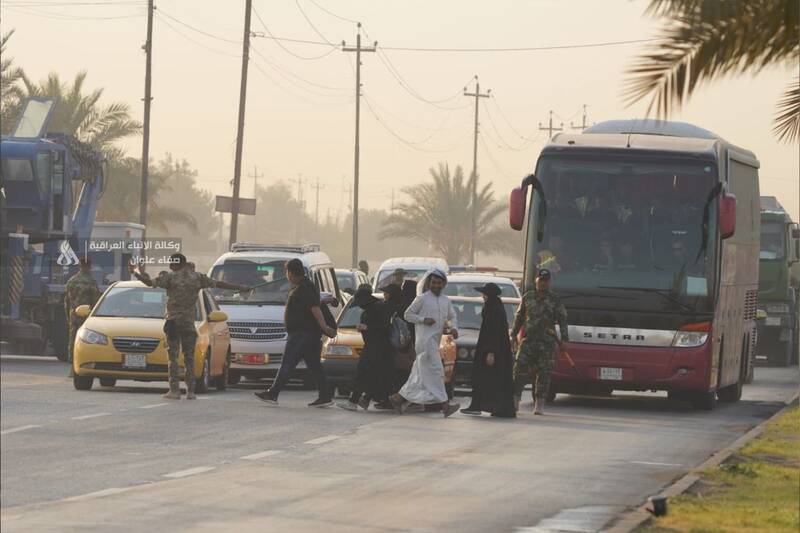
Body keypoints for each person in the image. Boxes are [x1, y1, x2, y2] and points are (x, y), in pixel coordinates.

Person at [130, 253, 249, 399]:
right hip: (189, 324)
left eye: (171, 263)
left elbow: (149, 283)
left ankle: (174, 390)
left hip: (173, 322)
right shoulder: (197, 278)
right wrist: (241, 287)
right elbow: (218, 284)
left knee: (173, 358)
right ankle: (190, 391)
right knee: (189, 358)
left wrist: (135, 272)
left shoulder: (170, 277)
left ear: (175, 264)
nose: (170, 266)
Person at [255, 258, 337, 407]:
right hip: (306, 334)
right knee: (314, 365)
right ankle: (325, 396)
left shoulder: (304, 287)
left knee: (287, 363)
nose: (286, 275)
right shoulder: (303, 286)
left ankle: (273, 393)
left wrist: (324, 327)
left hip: (302, 334)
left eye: (287, 271)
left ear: (291, 272)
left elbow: (315, 308)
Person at [390, 269, 460, 418]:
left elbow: (452, 316)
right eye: (433, 282)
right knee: (437, 371)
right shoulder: (422, 299)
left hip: (434, 342)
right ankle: (445, 406)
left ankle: (397, 398)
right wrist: (423, 320)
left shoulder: (445, 301)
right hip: (424, 343)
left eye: (439, 283)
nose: (436, 285)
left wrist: (454, 328)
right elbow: (408, 315)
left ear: (443, 284)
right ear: (429, 283)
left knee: (418, 377)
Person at [511, 269, 569, 415]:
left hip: (546, 343)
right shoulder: (528, 297)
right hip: (529, 340)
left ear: (549, 282)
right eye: (540, 280)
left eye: (545, 281)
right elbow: (519, 317)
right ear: (535, 281)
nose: (543, 283)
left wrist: (564, 340)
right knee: (519, 369)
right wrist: (513, 335)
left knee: (544, 373)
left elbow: (563, 320)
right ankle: (515, 400)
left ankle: (540, 403)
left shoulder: (555, 300)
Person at [461, 283, 516, 418]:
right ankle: (487, 406)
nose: (483, 296)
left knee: (483, 377)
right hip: (494, 349)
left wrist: (491, 352)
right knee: (490, 379)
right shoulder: (495, 306)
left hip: (492, 350)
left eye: (484, 294)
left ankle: (483, 406)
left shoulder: (494, 309)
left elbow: (494, 332)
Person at [338, 285, 395, 411]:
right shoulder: (375, 308)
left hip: (376, 347)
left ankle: (354, 401)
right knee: (372, 375)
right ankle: (365, 399)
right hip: (375, 347)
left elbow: (385, 328)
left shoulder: (377, 309)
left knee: (363, 374)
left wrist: (367, 328)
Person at [64, 257, 101, 377]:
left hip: (73, 315)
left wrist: (68, 317)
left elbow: (67, 302)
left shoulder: (71, 281)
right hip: (86, 317)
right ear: (89, 266)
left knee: (73, 339)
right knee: (85, 342)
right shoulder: (91, 282)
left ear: (79, 266)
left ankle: (72, 368)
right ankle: (81, 367)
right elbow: (95, 302)